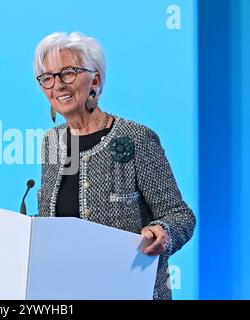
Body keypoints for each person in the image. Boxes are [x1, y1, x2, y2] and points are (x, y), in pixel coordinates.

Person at [35, 32, 196, 300]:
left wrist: (162, 233)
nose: (58, 85)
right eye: (48, 78)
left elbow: (180, 216)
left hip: (131, 291)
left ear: (95, 80)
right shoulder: (51, 142)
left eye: (68, 73)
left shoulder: (136, 138)